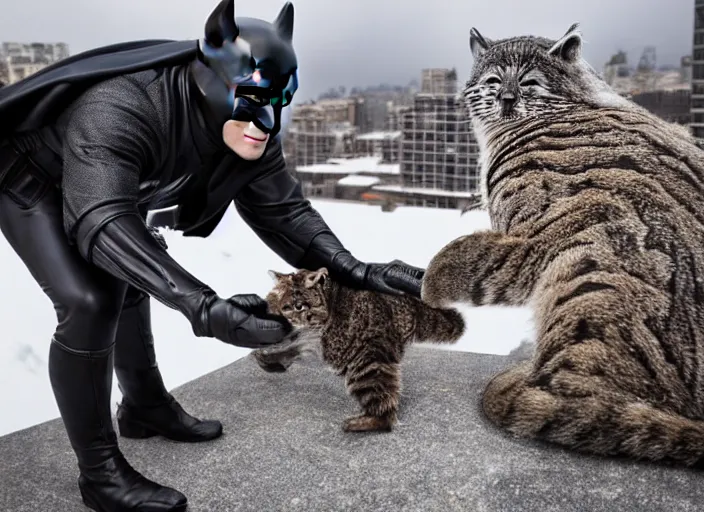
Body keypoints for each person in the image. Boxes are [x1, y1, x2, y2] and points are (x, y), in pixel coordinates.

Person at [0, 1, 424, 510]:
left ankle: (145, 406)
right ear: (209, 81)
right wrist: (202, 307)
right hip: (28, 176)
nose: (267, 119)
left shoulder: (251, 126)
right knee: (89, 301)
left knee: (130, 273)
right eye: (253, 98)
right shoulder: (120, 105)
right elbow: (102, 219)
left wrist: (354, 269)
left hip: (105, 189)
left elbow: (284, 212)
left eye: (281, 99)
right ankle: (100, 475)